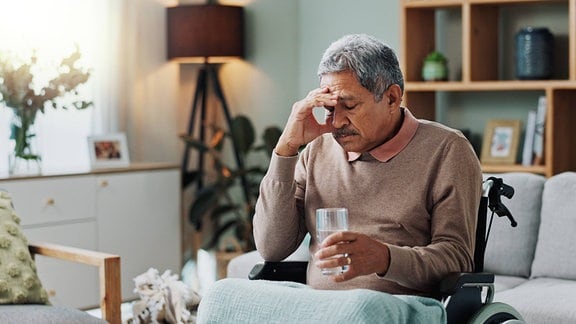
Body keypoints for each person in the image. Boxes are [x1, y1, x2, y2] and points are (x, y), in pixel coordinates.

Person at [197, 34, 482, 323]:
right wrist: (286, 150)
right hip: (321, 306)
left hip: (404, 305)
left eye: (349, 105)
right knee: (221, 295)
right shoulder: (317, 151)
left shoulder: (448, 150)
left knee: (358, 309)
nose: (336, 122)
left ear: (392, 98)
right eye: (330, 108)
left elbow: (456, 259)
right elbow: (272, 248)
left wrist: (384, 258)